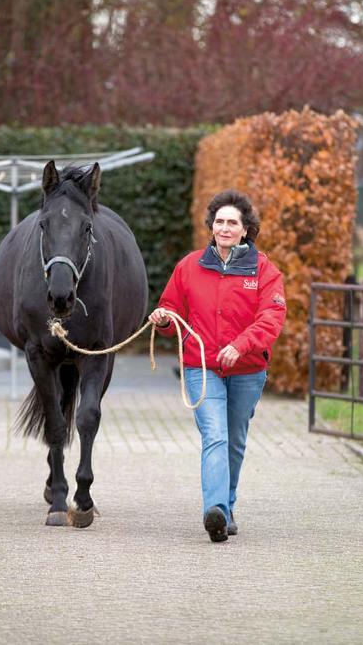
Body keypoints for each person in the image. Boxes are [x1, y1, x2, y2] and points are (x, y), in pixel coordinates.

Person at [148, 189, 286, 542]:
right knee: (215, 435)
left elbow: (272, 317)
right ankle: (217, 513)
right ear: (211, 227)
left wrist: (240, 347)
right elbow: (172, 307)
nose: (225, 228)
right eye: (219, 222)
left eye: (232, 222)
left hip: (248, 370)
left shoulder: (265, 270)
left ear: (245, 229)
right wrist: (164, 319)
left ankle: (228, 503)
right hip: (201, 367)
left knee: (235, 441)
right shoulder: (189, 266)